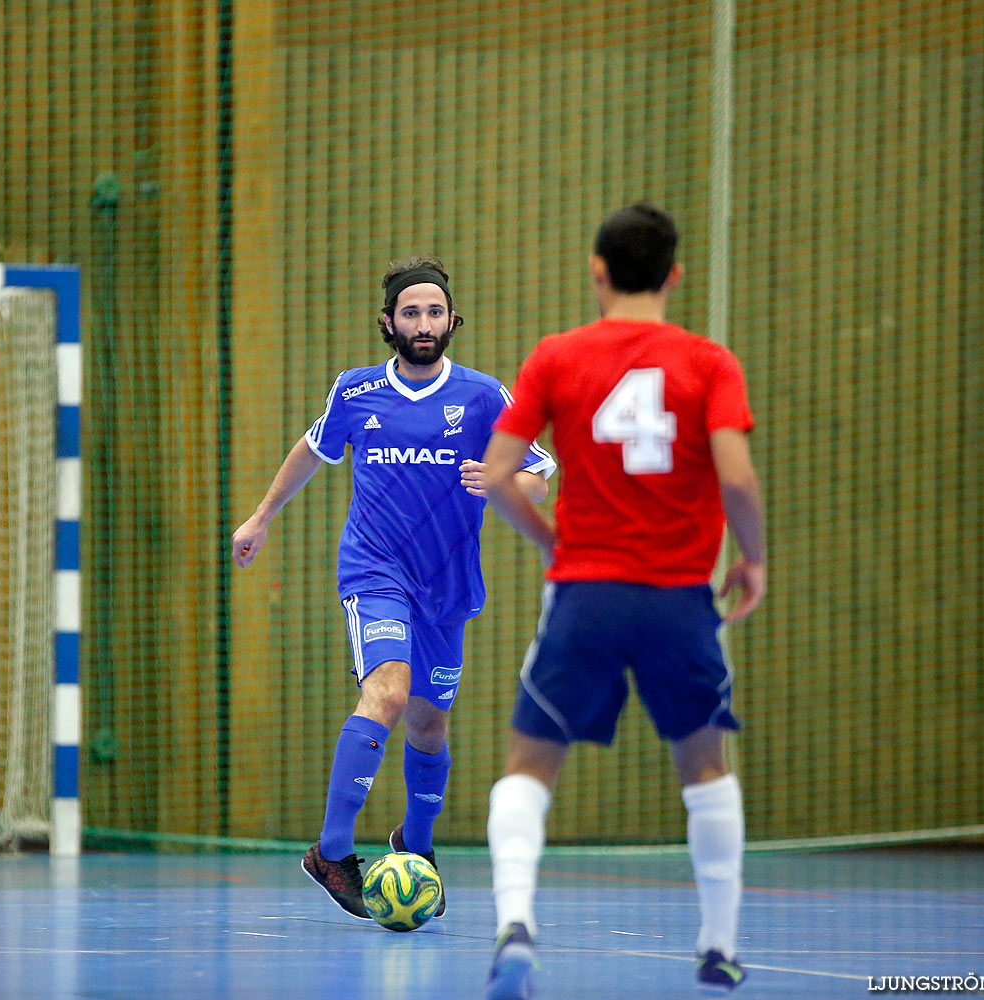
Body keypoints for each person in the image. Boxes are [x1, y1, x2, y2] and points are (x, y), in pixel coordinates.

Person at [478, 204, 765, 998]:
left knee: (529, 765)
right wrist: (753, 558)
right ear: (675, 274)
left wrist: (549, 540)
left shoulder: (558, 357)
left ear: (596, 271)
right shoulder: (709, 362)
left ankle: (515, 925)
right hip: (678, 599)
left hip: (585, 594)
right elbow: (736, 477)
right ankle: (718, 946)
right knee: (705, 766)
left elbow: (499, 474)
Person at [231, 257, 554, 920]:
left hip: (448, 584)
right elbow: (312, 450)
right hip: (375, 571)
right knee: (387, 691)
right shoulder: (355, 393)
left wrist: (501, 483)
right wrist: (262, 515)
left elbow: (538, 475)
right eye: (411, 312)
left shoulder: (484, 396)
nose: (424, 323)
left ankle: (417, 845)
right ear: (389, 323)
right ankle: (331, 851)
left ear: (452, 320)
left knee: (428, 724)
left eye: (435, 311)